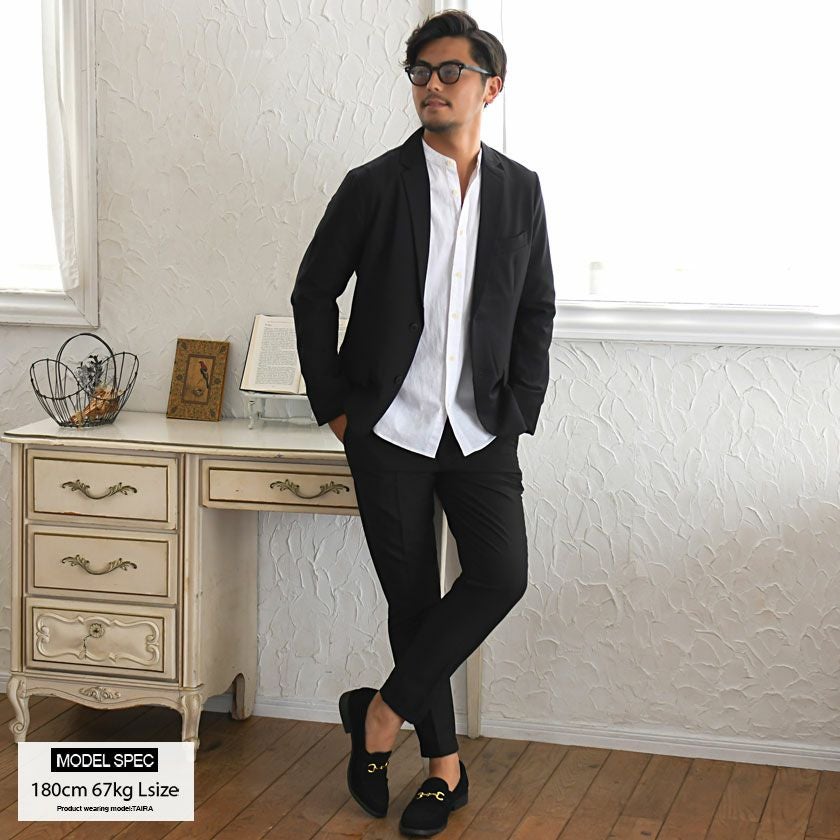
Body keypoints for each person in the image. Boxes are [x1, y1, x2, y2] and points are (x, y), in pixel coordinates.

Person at [290, 9, 554, 836]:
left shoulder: (520, 189)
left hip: (481, 430)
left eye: (449, 72)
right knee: (412, 602)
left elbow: (536, 308)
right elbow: (312, 293)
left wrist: (520, 408)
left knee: (500, 575)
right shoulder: (374, 185)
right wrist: (336, 407)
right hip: (389, 429)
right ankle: (444, 771)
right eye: (419, 73)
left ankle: (377, 714)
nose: (431, 86)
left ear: (491, 87)